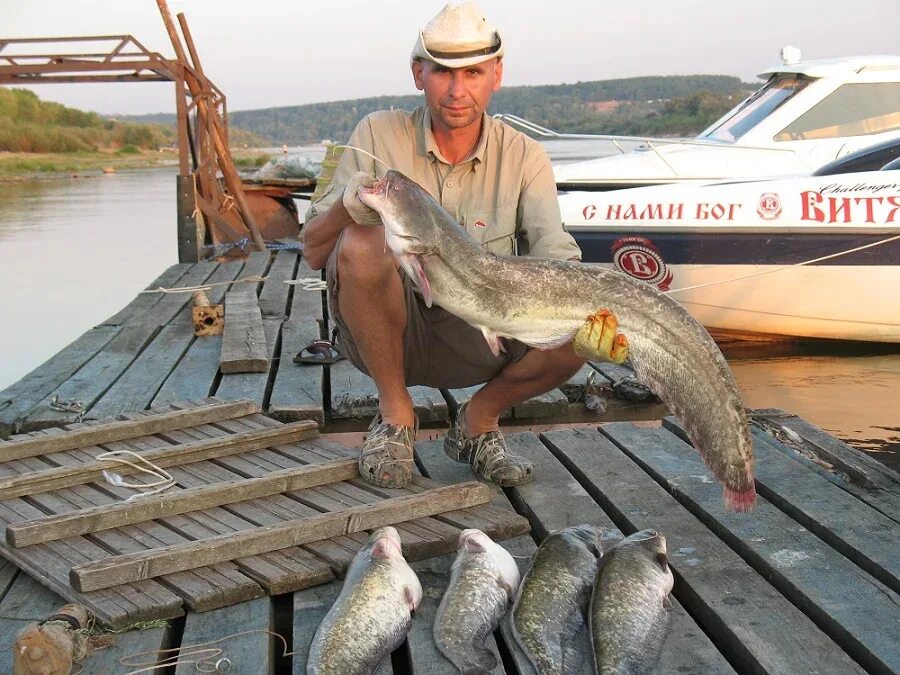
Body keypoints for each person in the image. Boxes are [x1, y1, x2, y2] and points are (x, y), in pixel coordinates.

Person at [303, 2, 616, 489]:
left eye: (472, 73)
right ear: (417, 73)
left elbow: (557, 258)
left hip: (481, 335)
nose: (457, 90)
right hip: (388, 335)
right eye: (442, 72)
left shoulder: (525, 156)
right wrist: (350, 203)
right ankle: (395, 416)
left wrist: (590, 318)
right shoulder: (373, 133)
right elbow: (313, 250)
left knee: (576, 327)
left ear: (496, 74)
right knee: (363, 238)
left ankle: (477, 424)